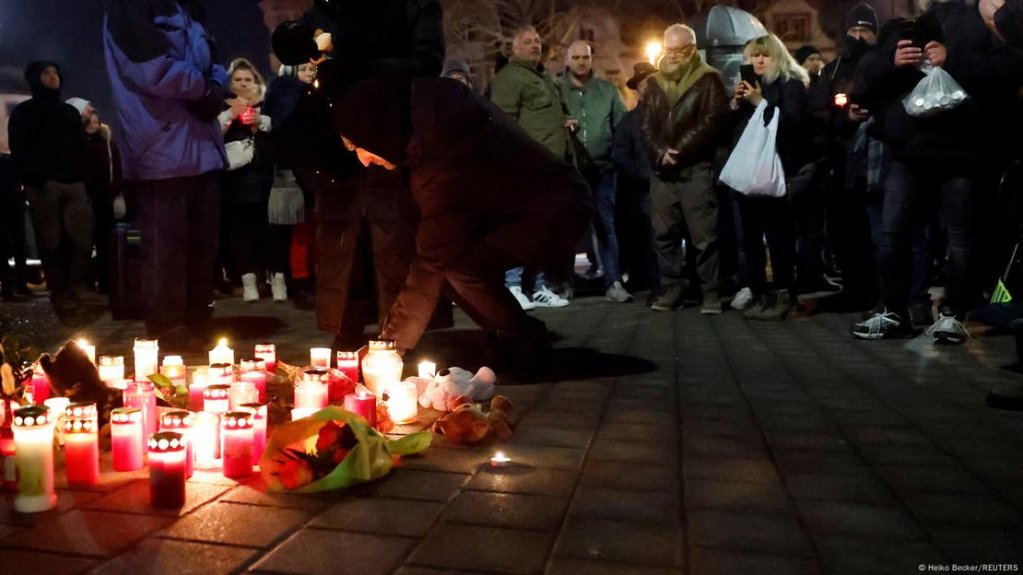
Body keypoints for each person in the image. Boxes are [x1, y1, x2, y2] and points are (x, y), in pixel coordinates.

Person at [331, 76, 590, 363]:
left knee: (454, 265)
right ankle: (513, 334)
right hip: (524, 208)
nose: (364, 161)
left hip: (554, 209)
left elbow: (433, 257)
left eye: (361, 147)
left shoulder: (445, 153)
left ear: (378, 130)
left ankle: (522, 338)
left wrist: (390, 347)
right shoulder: (431, 125)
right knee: (451, 266)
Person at [270, 1, 446, 351]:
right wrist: (302, 40)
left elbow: (427, 61)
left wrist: (360, 66)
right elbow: (307, 40)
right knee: (339, 238)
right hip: (337, 139)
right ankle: (346, 328)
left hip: (390, 135)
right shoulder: (330, 5)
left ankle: (397, 335)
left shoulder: (415, 5)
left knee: (394, 236)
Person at [850, 1, 1023, 343]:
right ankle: (893, 310)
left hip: (963, 153)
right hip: (910, 152)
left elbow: (1010, 67)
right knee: (892, 236)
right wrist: (891, 62)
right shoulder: (909, 26)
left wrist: (953, 60)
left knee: (960, 241)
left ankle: (953, 314)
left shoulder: (987, 22)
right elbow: (867, 75)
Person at [103, 0, 229, 347]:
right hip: (159, 147)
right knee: (165, 249)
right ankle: (167, 327)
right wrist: (203, 88)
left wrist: (216, 82)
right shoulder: (131, 7)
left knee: (203, 244)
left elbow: (214, 62)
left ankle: (198, 317)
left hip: (201, 145)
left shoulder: (189, 9)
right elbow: (149, 69)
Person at [639, 24, 729, 314]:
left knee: (704, 238)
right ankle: (671, 290)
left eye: (680, 50)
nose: (674, 55)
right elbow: (646, 124)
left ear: (692, 49)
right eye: (670, 50)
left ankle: (710, 293)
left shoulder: (709, 80)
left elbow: (712, 122)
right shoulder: (654, 82)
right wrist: (659, 153)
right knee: (663, 235)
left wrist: (679, 151)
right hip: (662, 172)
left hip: (695, 170)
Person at [490, 26, 573, 310]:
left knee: (540, 231)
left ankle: (535, 287)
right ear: (514, 48)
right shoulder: (510, 78)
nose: (535, 45)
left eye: (537, 40)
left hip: (547, 170)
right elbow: (503, 122)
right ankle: (512, 286)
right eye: (527, 41)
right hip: (525, 169)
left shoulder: (540, 77)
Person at [729, 34, 810, 321]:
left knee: (779, 236)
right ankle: (760, 292)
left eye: (766, 55)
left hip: (778, 170)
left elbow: (794, 125)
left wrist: (761, 102)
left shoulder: (791, 85)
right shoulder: (751, 87)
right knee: (750, 237)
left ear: (778, 57)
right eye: (754, 55)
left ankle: (784, 293)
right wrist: (737, 105)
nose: (759, 60)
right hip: (749, 173)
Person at [8, 61, 99, 316]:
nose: (52, 77)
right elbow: (19, 150)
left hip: (74, 184)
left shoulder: (68, 113)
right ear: (35, 78)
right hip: (44, 185)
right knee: (51, 242)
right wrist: (38, 179)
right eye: (46, 73)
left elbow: (81, 147)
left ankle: (77, 287)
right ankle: (60, 293)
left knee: (81, 239)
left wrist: (83, 179)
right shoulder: (24, 112)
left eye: (55, 72)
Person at [807, 3, 880, 311]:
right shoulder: (834, 70)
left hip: (876, 162)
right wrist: (843, 118)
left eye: (865, 30)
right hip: (841, 163)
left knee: (875, 232)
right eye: (854, 30)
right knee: (843, 232)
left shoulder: (882, 64)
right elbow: (818, 112)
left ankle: (878, 290)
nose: (859, 36)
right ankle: (853, 287)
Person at [560, 40, 631, 303]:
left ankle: (613, 282)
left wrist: (616, 159)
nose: (581, 62)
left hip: (603, 171)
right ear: (567, 61)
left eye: (585, 57)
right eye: (576, 57)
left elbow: (622, 128)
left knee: (606, 227)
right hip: (570, 173)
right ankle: (565, 283)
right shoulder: (556, 91)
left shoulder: (607, 91)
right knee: (567, 229)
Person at [218, 58, 277, 303]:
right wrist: (230, 115)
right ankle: (247, 281)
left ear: (256, 80)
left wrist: (260, 121)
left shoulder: (266, 102)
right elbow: (213, 134)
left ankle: (269, 278)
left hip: (263, 174)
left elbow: (279, 130)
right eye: (238, 80)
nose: (243, 84)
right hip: (235, 178)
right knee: (239, 230)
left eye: (247, 79)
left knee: (266, 229)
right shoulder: (222, 106)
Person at [264, 62, 318, 309]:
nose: (309, 73)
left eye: (313, 69)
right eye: (304, 68)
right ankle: (302, 282)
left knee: (311, 230)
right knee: (302, 230)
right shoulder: (289, 93)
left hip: (308, 169)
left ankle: (308, 281)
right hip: (300, 171)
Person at [612, 62, 660, 300]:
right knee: (651, 240)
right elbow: (620, 157)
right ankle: (657, 286)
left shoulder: (669, 114)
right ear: (638, 88)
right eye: (646, 83)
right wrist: (644, 174)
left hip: (666, 185)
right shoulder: (629, 123)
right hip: (645, 190)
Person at [68, 98, 123, 296]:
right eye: (89, 112)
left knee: (106, 244)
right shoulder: (76, 143)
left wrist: (112, 191)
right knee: (82, 245)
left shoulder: (107, 142)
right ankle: (86, 285)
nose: (94, 115)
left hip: (104, 201)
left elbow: (117, 170)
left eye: (94, 111)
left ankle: (108, 285)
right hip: (83, 201)